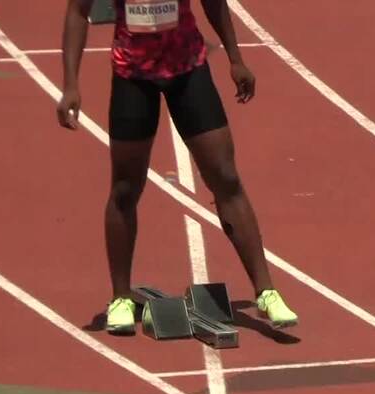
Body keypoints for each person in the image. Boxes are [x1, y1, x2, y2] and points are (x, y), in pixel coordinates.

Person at [56, 0, 298, 335]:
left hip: (188, 69)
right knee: (125, 188)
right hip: (133, 76)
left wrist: (235, 58)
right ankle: (121, 299)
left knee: (225, 177)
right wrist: (70, 84)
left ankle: (266, 292)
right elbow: (78, 11)